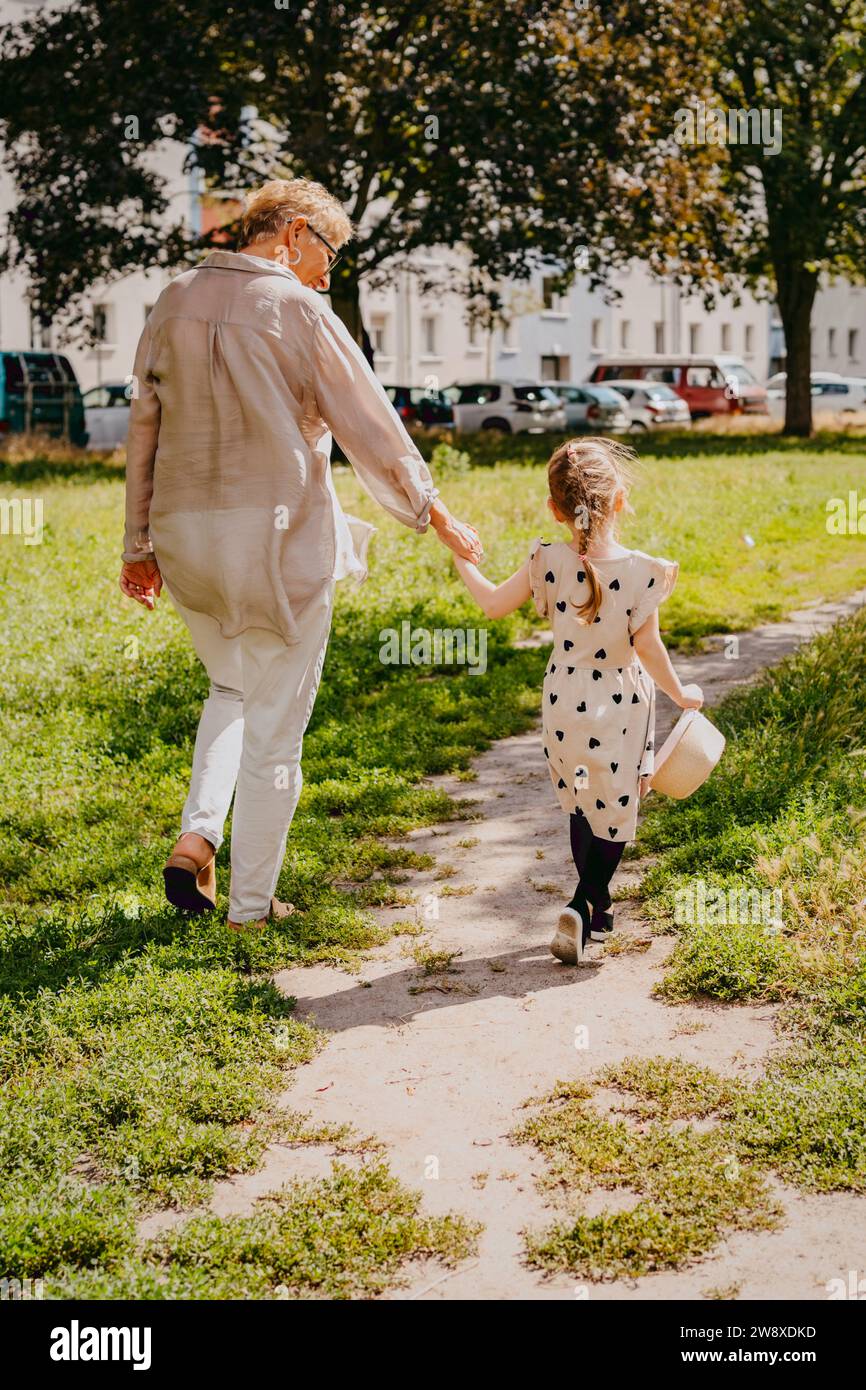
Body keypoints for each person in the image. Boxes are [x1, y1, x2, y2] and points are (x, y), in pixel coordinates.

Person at [119, 177, 482, 931]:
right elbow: (371, 422)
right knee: (277, 728)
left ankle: (197, 839)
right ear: (292, 235)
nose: (329, 272)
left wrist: (137, 543)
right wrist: (434, 513)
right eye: (328, 253)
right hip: (275, 544)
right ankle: (251, 912)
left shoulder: (172, 297)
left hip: (187, 540)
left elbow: (145, 422)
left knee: (231, 690)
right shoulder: (297, 307)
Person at [450, 436, 702, 964]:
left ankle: (600, 906)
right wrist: (681, 693)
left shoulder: (547, 559)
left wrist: (460, 557)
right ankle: (582, 903)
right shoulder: (641, 571)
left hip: (564, 699)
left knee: (584, 802)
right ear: (620, 499)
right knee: (618, 807)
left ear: (554, 508)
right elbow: (646, 647)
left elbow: (494, 603)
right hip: (618, 703)